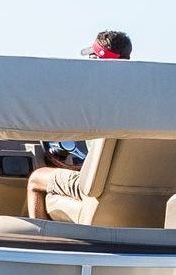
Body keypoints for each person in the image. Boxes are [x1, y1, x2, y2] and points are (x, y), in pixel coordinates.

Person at [25, 31, 132, 220]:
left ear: (97, 61)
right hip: (134, 186)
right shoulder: (139, 99)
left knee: (36, 178)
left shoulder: (91, 101)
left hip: (97, 188)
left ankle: (42, 242)